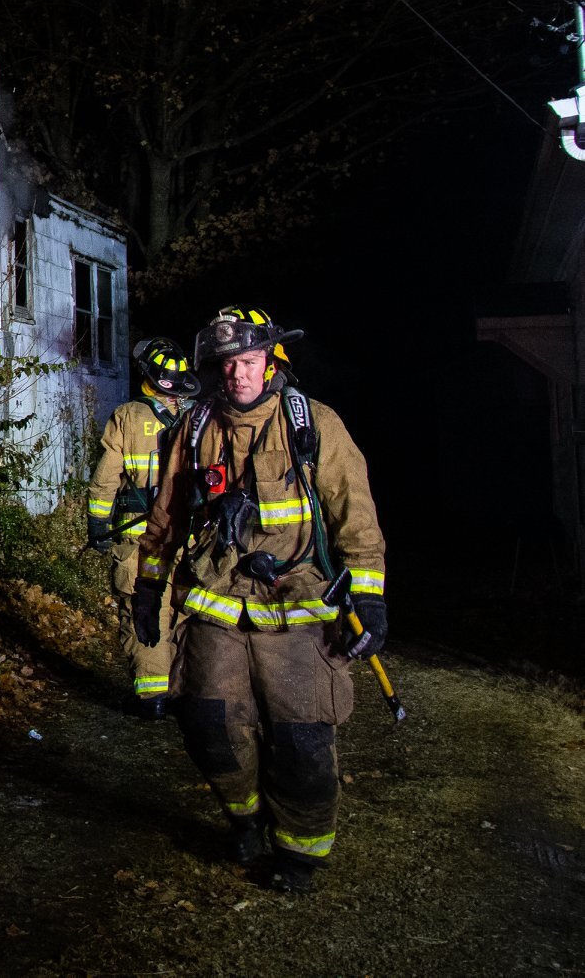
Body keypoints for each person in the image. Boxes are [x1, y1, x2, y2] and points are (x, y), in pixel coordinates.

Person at [133, 309, 387, 892]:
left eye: (248, 361)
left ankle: (301, 851)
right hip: (215, 608)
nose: (238, 374)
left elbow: (357, 517)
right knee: (208, 725)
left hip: (296, 613)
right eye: (227, 364)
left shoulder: (314, 425)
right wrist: (149, 587)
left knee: (301, 739)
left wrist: (369, 599)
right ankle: (244, 818)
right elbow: (167, 515)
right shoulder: (195, 427)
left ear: (270, 361)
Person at [86, 337, 201, 718]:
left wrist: (98, 523)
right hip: (188, 539)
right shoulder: (198, 418)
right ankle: (186, 692)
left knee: (144, 612)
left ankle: (152, 698)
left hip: (141, 542)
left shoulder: (128, 417)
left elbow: (107, 476)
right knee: (186, 612)